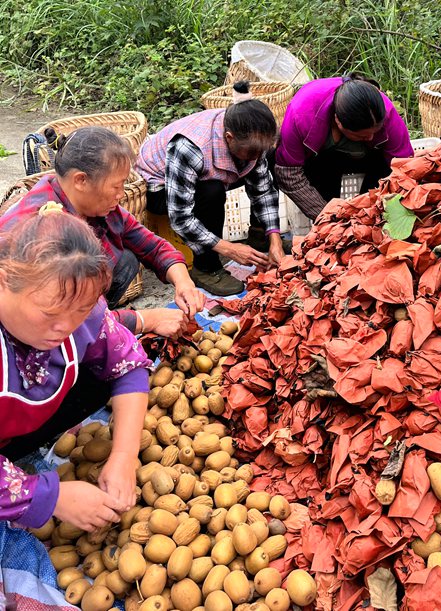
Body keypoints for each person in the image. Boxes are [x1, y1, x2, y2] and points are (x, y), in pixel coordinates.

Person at [0, 207, 151, 532]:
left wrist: (125, 454)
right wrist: (47, 498)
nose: (66, 327)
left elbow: (129, 364)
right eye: (50, 313)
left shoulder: (77, 305)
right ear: (4, 281)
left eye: (80, 311)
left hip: (18, 429)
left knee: (102, 371)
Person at [2, 127, 206, 339]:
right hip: (29, 327)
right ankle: (99, 331)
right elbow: (57, 319)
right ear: (81, 180)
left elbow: (152, 245)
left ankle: (102, 317)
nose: (121, 194)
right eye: (116, 186)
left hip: (67, 304)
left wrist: (183, 283)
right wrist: (147, 320)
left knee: (126, 260)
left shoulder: (96, 205)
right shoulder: (43, 231)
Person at [135, 82, 283, 296]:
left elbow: (263, 190)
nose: (254, 158)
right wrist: (228, 249)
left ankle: (260, 238)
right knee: (212, 190)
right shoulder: (190, 148)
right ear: (229, 138)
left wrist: (274, 237)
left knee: (269, 158)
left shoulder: (250, 139)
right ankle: (206, 267)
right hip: (161, 189)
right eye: (250, 153)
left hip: (210, 172)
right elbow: (181, 218)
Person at [274, 74, 413, 221]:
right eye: (362, 136)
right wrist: (329, 217)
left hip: (368, 160)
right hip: (320, 163)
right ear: (338, 121)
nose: (371, 138)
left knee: (380, 191)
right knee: (324, 182)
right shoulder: (301, 115)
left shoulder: (387, 113)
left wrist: (378, 207)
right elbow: (289, 173)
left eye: (375, 132)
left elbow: (405, 168)